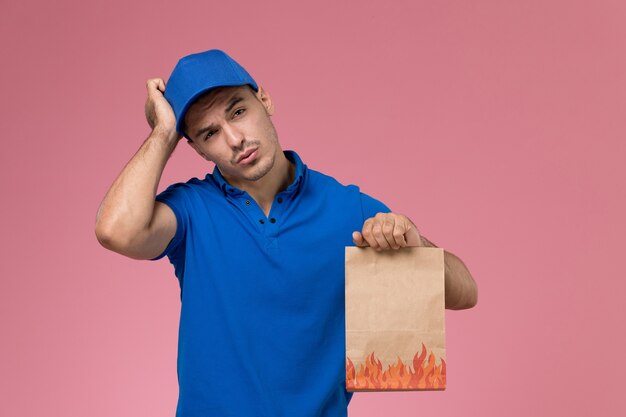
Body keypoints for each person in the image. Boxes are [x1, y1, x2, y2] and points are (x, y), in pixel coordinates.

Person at [95, 49, 478, 417]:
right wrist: (163, 132)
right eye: (210, 133)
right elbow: (116, 231)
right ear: (195, 148)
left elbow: (466, 292)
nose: (235, 139)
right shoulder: (191, 210)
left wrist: (414, 246)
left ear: (265, 100)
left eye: (239, 112)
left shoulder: (346, 208)